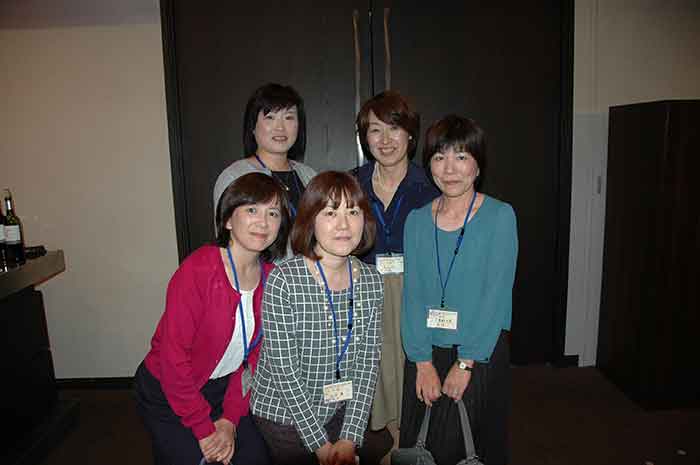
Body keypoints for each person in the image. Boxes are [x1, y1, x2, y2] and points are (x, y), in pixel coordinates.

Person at [135, 173, 292, 465]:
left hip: (224, 392)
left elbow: (253, 362)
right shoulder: (199, 270)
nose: (263, 222)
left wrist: (230, 419)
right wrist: (204, 429)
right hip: (169, 390)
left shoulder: (272, 279)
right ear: (228, 219)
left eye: (273, 213)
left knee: (256, 457)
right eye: (252, 210)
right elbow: (173, 359)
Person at [399, 115, 518, 465]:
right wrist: (421, 362)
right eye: (440, 157)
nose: (449, 168)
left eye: (461, 156)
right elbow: (412, 295)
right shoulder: (416, 221)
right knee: (422, 447)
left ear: (478, 165)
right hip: (425, 352)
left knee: (467, 448)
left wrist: (465, 363)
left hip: (478, 351)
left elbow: (496, 296)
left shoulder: (500, 216)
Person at [250, 171, 384, 465]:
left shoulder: (372, 280)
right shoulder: (285, 280)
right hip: (284, 413)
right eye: (330, 213)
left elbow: (367, 364)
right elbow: (285, 372)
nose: (344, 225)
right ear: (311, 220)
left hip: (337, 408)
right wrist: (320, 445)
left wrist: (350, 436)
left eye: (353, 212)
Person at [351, 91, 439, 436]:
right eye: (375, 130)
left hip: (416, 290)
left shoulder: (431, 186)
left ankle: (410, 440)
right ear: (365, 137)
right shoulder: (352, 184)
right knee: (377, 369)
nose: (385, 140)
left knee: (412, 367)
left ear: (410, 134)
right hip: (365, 290)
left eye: (394, 128)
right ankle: (392, 438)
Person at [213, 83, 317, 220]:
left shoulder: (310, 176)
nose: (280, 127)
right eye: (270, 117)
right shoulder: (234, 176)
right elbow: (224, 231)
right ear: (253, 126)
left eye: (288, 117)